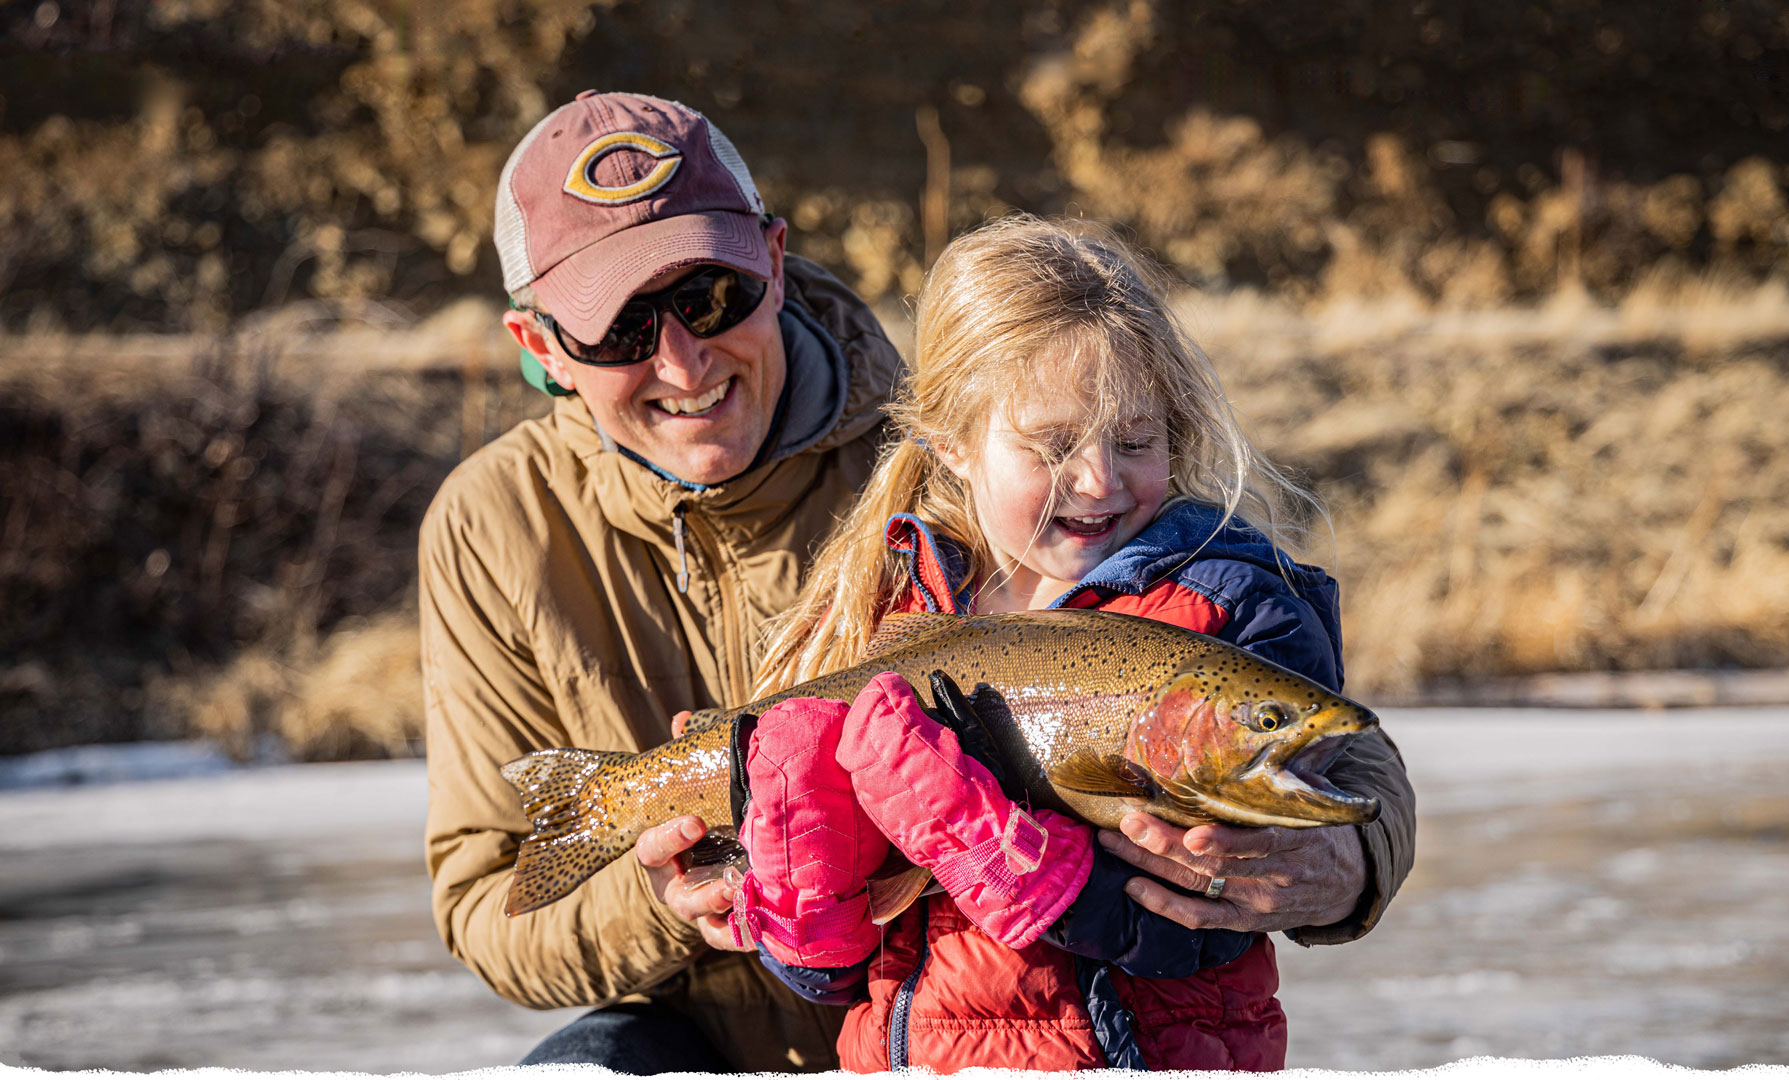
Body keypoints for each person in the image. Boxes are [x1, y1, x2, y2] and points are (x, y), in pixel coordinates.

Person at [725, 216, 1417, 1070]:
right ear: (953, 446)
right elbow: (838, 963)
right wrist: (797, 925)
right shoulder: (878, 611)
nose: (1098, 479)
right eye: (1051, 447)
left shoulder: (1229, 608)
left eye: (1135, 441)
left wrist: (1036, 881)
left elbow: (1216, 912)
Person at [418, 90, 906, 1072]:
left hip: (934, 999)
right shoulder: (492, 528)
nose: (684, 363)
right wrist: (656, 903)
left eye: (707, 296)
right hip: (688, 1030)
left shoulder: (947, 459)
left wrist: (1308, 880)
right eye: (621, 327)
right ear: (541, 349)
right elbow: (488, 903)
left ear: (771, 261)